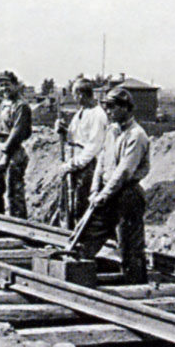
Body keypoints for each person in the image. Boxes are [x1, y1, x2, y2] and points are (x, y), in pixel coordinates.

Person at [73, 87, 149, 283]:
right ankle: (79, 280)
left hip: (127, 196)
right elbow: (101, 162)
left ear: (125, 108)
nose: (108, 112)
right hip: (106, 193)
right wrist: (94, 190)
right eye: (106, 107)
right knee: (86, 237)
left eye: (112, 107)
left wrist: (103, 195)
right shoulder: (111, 131)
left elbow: (123, 172)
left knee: (129, 248)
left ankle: (136, 288)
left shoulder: (136, 135)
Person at [55, 78, 108, 228]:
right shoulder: (82, 112)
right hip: (77, 163)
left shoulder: (98, 115)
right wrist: (62, 129)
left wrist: (73, 164)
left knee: (82, 204)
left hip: (87, 167)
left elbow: (93, 147)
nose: (74, 98)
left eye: (74, 94)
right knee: (71, 203)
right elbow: (74, 137)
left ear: (80, 94)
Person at [0, 70, 31, 219]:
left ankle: (19, 226)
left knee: (14, 192)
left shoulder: (21, 106)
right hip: (1, 147)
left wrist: (5, 155)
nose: (4, 89)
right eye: (1, 86)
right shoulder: (4, 104)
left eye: (7, 85)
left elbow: (17, 132)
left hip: (13, 151)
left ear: (15, 85)